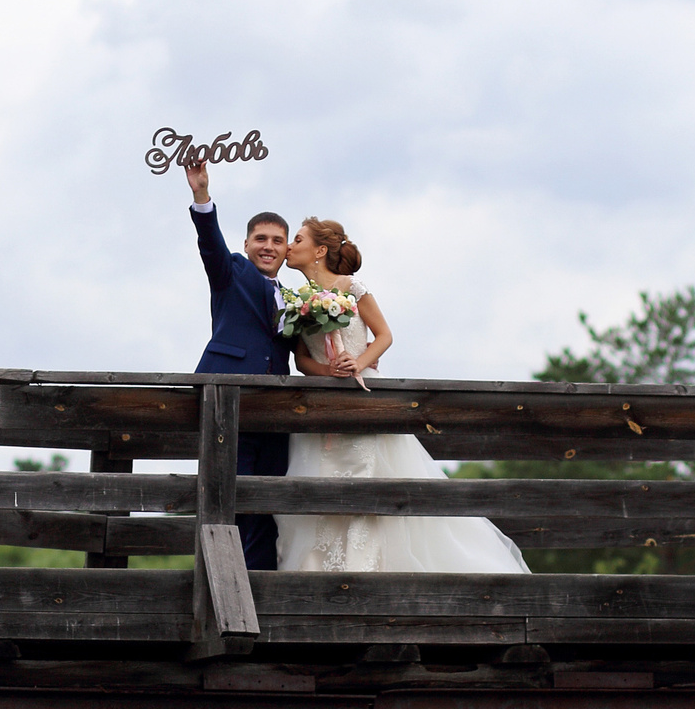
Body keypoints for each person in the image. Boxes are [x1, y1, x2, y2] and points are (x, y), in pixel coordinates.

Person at [273, 216, 528, 575]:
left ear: (320, 250)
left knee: (365, 487)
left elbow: (384, 336)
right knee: (316, 491)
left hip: (363, 402)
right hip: (321, 409)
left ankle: (362, 570)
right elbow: (301, 359)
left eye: (297, 239)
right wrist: (327, 372)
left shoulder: (352, 287)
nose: (289, 246)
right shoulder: (299, 300)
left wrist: (358, 363)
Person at [181, 158, 292, 570]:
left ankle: (260, 585)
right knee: (226, 500)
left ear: (287, 250)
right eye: (260, 238)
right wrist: (202, 195)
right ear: (246, 244)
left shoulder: (297, 298)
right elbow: (210, 244)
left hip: (275, 414)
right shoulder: (232, 272)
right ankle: (222, 581)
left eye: (277, 240)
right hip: (227, 406)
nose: (268, 246)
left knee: (267, 505)